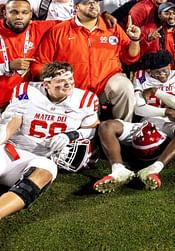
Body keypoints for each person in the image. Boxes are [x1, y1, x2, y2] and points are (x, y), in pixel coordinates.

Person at [0, 61, 100, 218]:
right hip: (12, 151)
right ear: (46, 84)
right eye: (61, 81)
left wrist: (70, 135)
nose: (68, 85)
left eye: (70, 79)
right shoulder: (26, 91)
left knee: (46, 172)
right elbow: (14, 122)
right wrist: (3, 131)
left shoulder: (85, 100)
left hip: (44, 158)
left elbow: (93, 128)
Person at [93, 51, 175, 192]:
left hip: (167, 125)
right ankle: (118, 170)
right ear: (149, 71)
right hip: (145, 123)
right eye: (157, 72)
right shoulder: (140, 76)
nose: (162, 75)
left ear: (170, 66)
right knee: (106, 126)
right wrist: (167, 111)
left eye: (165, 70)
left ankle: (155, 168)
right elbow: (139, 109)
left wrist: (155, 91)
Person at [33, 0, 142, 121]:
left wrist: (135, 40)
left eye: (96, 2)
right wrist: (55, 81)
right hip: (75, 87)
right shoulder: (59, 30)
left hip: (106, 81)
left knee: (124, 87)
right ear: (76, 7)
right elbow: (40, 63)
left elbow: (130, 58)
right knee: (86, 128)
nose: (93, 6)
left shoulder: (111, 27)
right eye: (87, 3)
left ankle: (123, 130)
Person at [0, 0, 58, 109]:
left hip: (21, 103)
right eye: (14, 12)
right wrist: (7, 66)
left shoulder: (38, 28)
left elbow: (70, 24)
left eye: (24, 13)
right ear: (5, 13)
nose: (19, 16)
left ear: (31, 14)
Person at [140, 2, 175, 71]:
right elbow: (137, 54)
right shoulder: (148, 29)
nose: (171, 16)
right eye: (167, 13)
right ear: (159, 15)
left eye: (174, 13)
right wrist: (148, 41)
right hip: (155, 73)